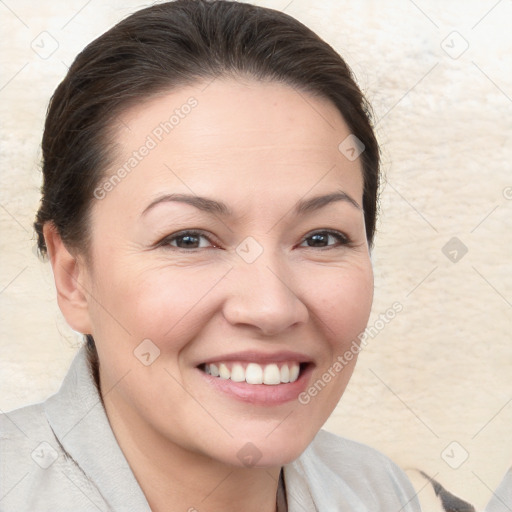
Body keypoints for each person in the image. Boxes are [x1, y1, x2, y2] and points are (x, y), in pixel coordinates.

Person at [0, 1, 423, 510]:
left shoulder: (377, 491)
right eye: (188, 239)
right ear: (73, 276)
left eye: (320, 238)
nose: (270, 307)